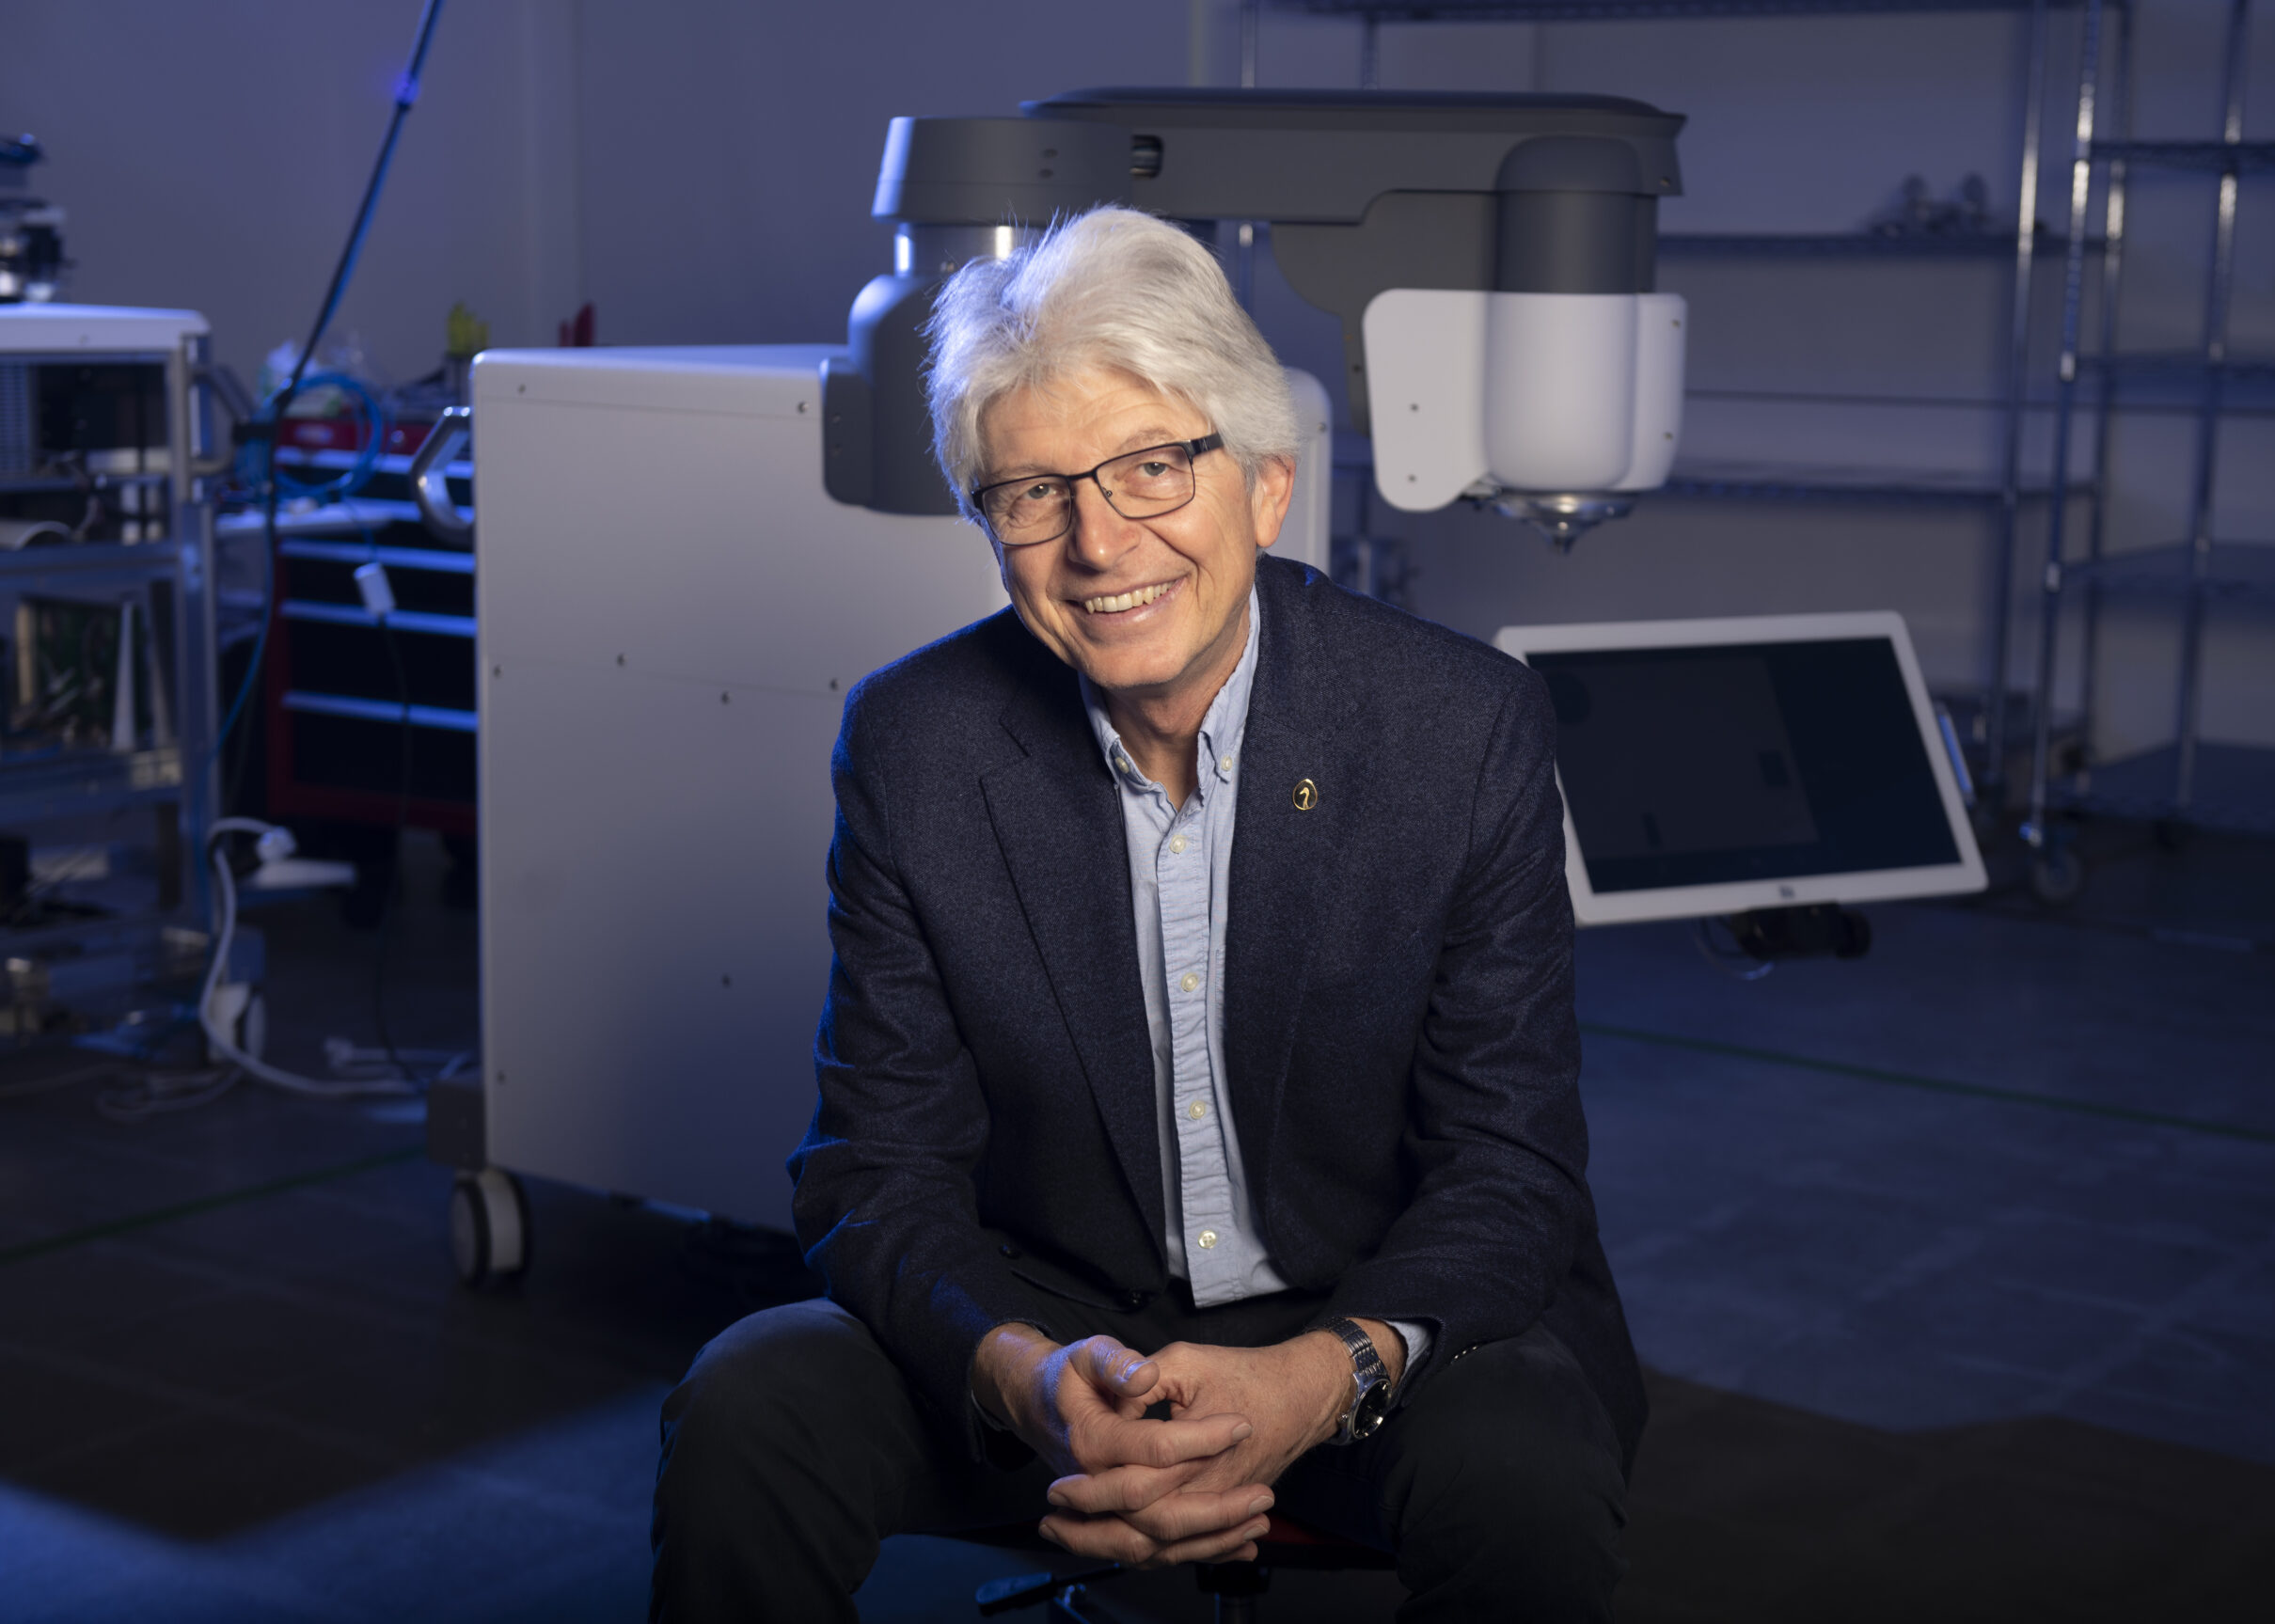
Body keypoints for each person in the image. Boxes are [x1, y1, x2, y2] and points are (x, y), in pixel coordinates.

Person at [650, 206, 1647, 1622]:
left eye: (1152, 467)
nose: (1097, 539)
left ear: (1266, 487)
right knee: (751, 1408)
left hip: (1359, 1330)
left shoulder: (1456, 726)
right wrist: (1027, 1375)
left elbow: (1509, 1165)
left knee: (1528, 1473)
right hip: (1054, 1337)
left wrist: (1321, 1375)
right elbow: (874, 1170)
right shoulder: (919, 743)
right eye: (1031, 491)